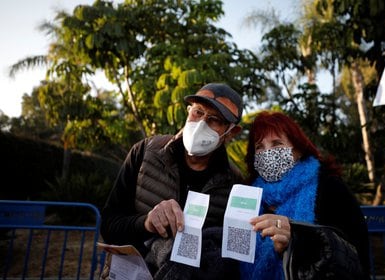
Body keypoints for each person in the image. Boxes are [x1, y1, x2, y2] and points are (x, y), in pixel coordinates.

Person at [100, 83, 243, 279]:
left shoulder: (235, 184)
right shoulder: (144, 152)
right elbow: (109, 226)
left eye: (214, 120)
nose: (201, 124)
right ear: (188, 112)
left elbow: (231, 256)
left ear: (231, 132)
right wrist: (146, 223)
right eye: (198, 112)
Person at [240, 110, 370, 279]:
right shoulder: (248, 194)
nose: (267, 153)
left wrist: (297, 240)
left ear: (298, 149)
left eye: (277, 144)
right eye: (259, 147)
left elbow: (354, 253)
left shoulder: (329, 187)